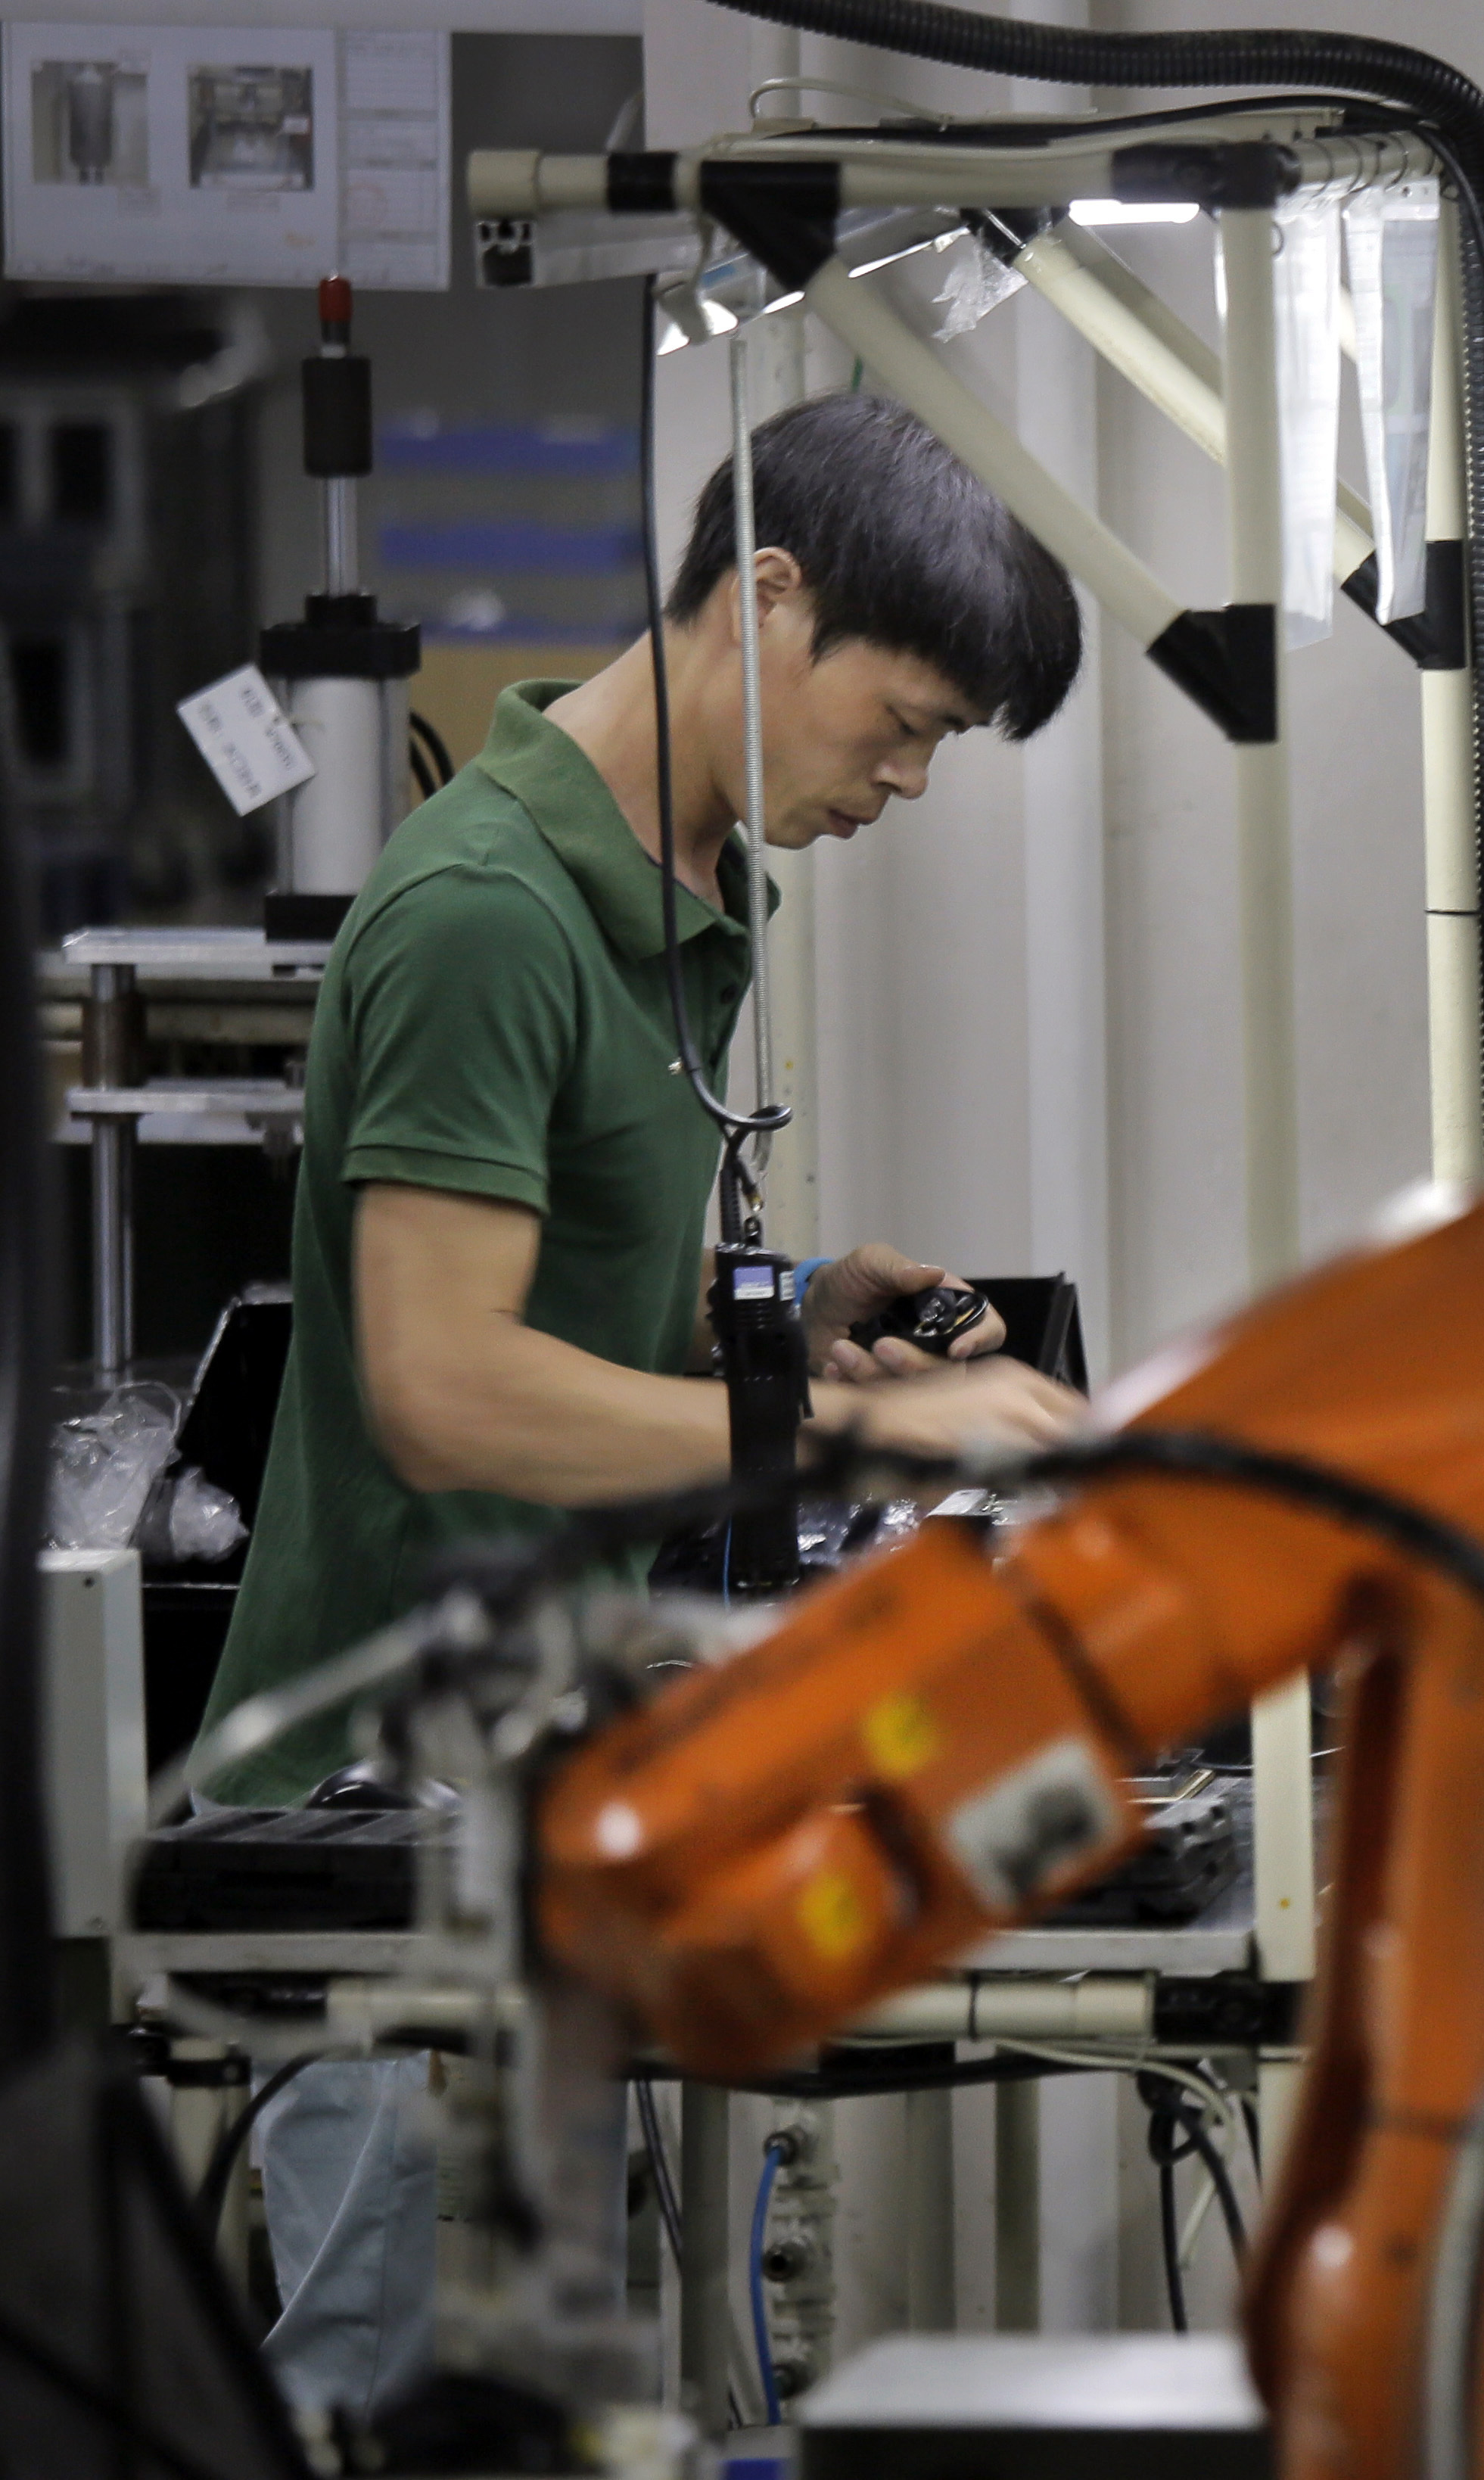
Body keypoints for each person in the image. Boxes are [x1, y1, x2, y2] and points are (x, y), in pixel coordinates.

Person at [196, 389, 1092, 2416]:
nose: (915, 778)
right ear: (765, 600)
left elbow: (555, 1260)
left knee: (550, 2390)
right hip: (378, 1809)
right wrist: (857, 1434)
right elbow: (440, 1384)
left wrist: (774, 1308)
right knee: (401, 2392)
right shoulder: (484, 915)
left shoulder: (684, 889)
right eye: (914, 717)